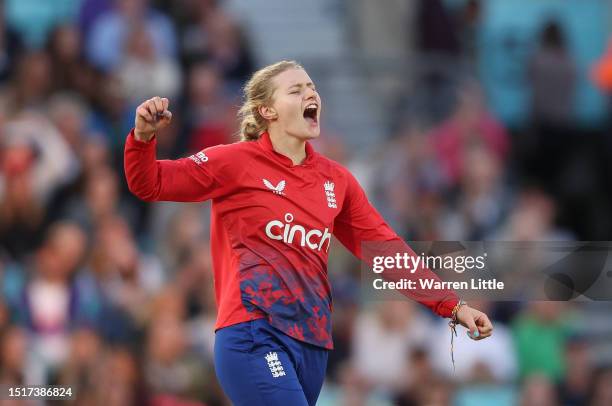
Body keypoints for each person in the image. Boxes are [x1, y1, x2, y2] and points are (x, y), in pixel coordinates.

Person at [123, 60, 493, 406]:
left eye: (312, 87)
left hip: (313, 345)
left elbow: (386, 250)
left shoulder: (337, 180)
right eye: (296, 90)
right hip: (254, 333)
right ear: (267, 111)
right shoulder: (233, 162)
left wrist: (451, 305)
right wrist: (142, 138)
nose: (310, 95)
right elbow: (150, 183)